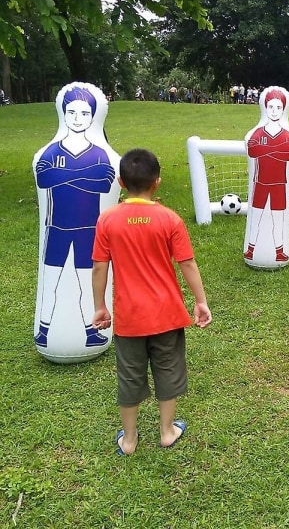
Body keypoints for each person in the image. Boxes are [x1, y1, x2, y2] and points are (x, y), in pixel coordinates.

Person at [91, 148, 212, 455]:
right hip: (167, 313)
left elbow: (99, 266)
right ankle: (167, 431)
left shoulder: (107, 220)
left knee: (129, 374)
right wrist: (200, 301)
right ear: (157, 182)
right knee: (168, 369)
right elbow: (187, 263)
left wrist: (100, 307)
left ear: (120, 182)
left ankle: (129, 440)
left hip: (129, 317)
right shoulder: (170, 219)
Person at [34, 85, 116, 348]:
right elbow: (45, 178)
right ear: (63, 114)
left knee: (87, 281)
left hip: (88, 230)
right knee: (51, 280)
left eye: (83, 113)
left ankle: (90, 331)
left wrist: (66, 177)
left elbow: (104, 184)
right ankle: (44, 330)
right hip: (56, 228)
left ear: (93, 116)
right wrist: (83, 175)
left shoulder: (100, 153)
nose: (77, 118)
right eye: (71, 112)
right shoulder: (51, 151)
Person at [244, 88, 289, 262]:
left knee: (278, 218)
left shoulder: (288, 135)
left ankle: (279, 252)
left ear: (284, 109)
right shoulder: (258, 133)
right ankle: (251, 250)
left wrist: (266, 151)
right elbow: (252, 150)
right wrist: (276, 150)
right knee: (257, 216)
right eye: (271, 107)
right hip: (260, 183)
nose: (274, 111)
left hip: (279, 184)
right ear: (265, 108)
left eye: (278, 107)